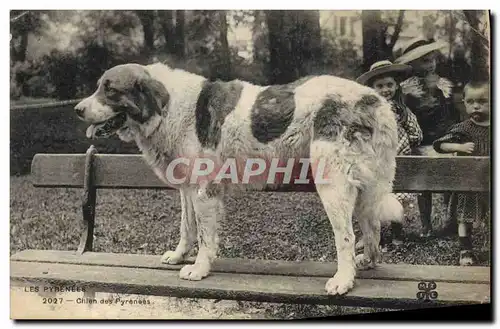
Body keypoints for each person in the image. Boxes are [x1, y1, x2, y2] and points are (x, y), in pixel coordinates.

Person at [395, 37, 461, 238]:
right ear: (412, 64)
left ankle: (451, 222)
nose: (431, 64)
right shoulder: (406, 90)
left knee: (450, 183)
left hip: (443, 141)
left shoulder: (443, 85)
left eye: (432, 59)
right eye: (425, 61)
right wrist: (427, 94)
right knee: (424, 187)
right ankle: (426, 225)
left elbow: (450, 113)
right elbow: (411, 117)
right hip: (422, 141)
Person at [356, 60, 423, 247]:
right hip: (375, 160)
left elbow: (416, 133)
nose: (385, 90)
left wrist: (409, 140)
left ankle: (397, 234)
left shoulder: (402, 111)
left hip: (398, 159)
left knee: (395, 195)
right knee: (370, 196)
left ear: (396, 86)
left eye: (389, 85)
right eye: (380, 86)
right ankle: (369, 236)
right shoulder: (367, 112)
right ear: (372, 89)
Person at [433, 80, 490, 265]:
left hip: (490, 181)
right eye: (471, 102)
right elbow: (440, 145)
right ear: (464, 102)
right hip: (468, 182)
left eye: (482, 101)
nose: (476, 106)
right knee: (464, 216)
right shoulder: (464, 128)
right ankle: (465, 249)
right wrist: (459, 146)